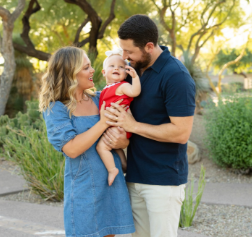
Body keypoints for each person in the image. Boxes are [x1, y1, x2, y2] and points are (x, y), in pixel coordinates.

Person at [105, 15, 196, 237]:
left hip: (163, 183)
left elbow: (181, 132)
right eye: (122, 50)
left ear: (149, 46)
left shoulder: (176, 76)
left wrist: (133, 126)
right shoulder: (133, 71)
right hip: (134, 176)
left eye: (129, 52)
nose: (124, 57)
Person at [39, 46, 135, 237]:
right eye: (86, 68)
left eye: (90, 66)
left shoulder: (101, 98)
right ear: (70, 74)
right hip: (84, 189)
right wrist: (102, 123)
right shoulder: (56, 108)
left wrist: (122, 140)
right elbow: (72, 149)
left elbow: (123, 139)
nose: (92, 71)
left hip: (111, 184)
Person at [97, 48, 141, 186]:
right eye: (112, 66)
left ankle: (112, 170)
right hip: (113, 124)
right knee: (116, 148)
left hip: (119, 125)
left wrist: (135, 78)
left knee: (101, 147)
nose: (117, 68)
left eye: (121, 67)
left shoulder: (123, 86)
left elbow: (134, 92)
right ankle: (124, 165)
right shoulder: (106, 88)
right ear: (104, 72)